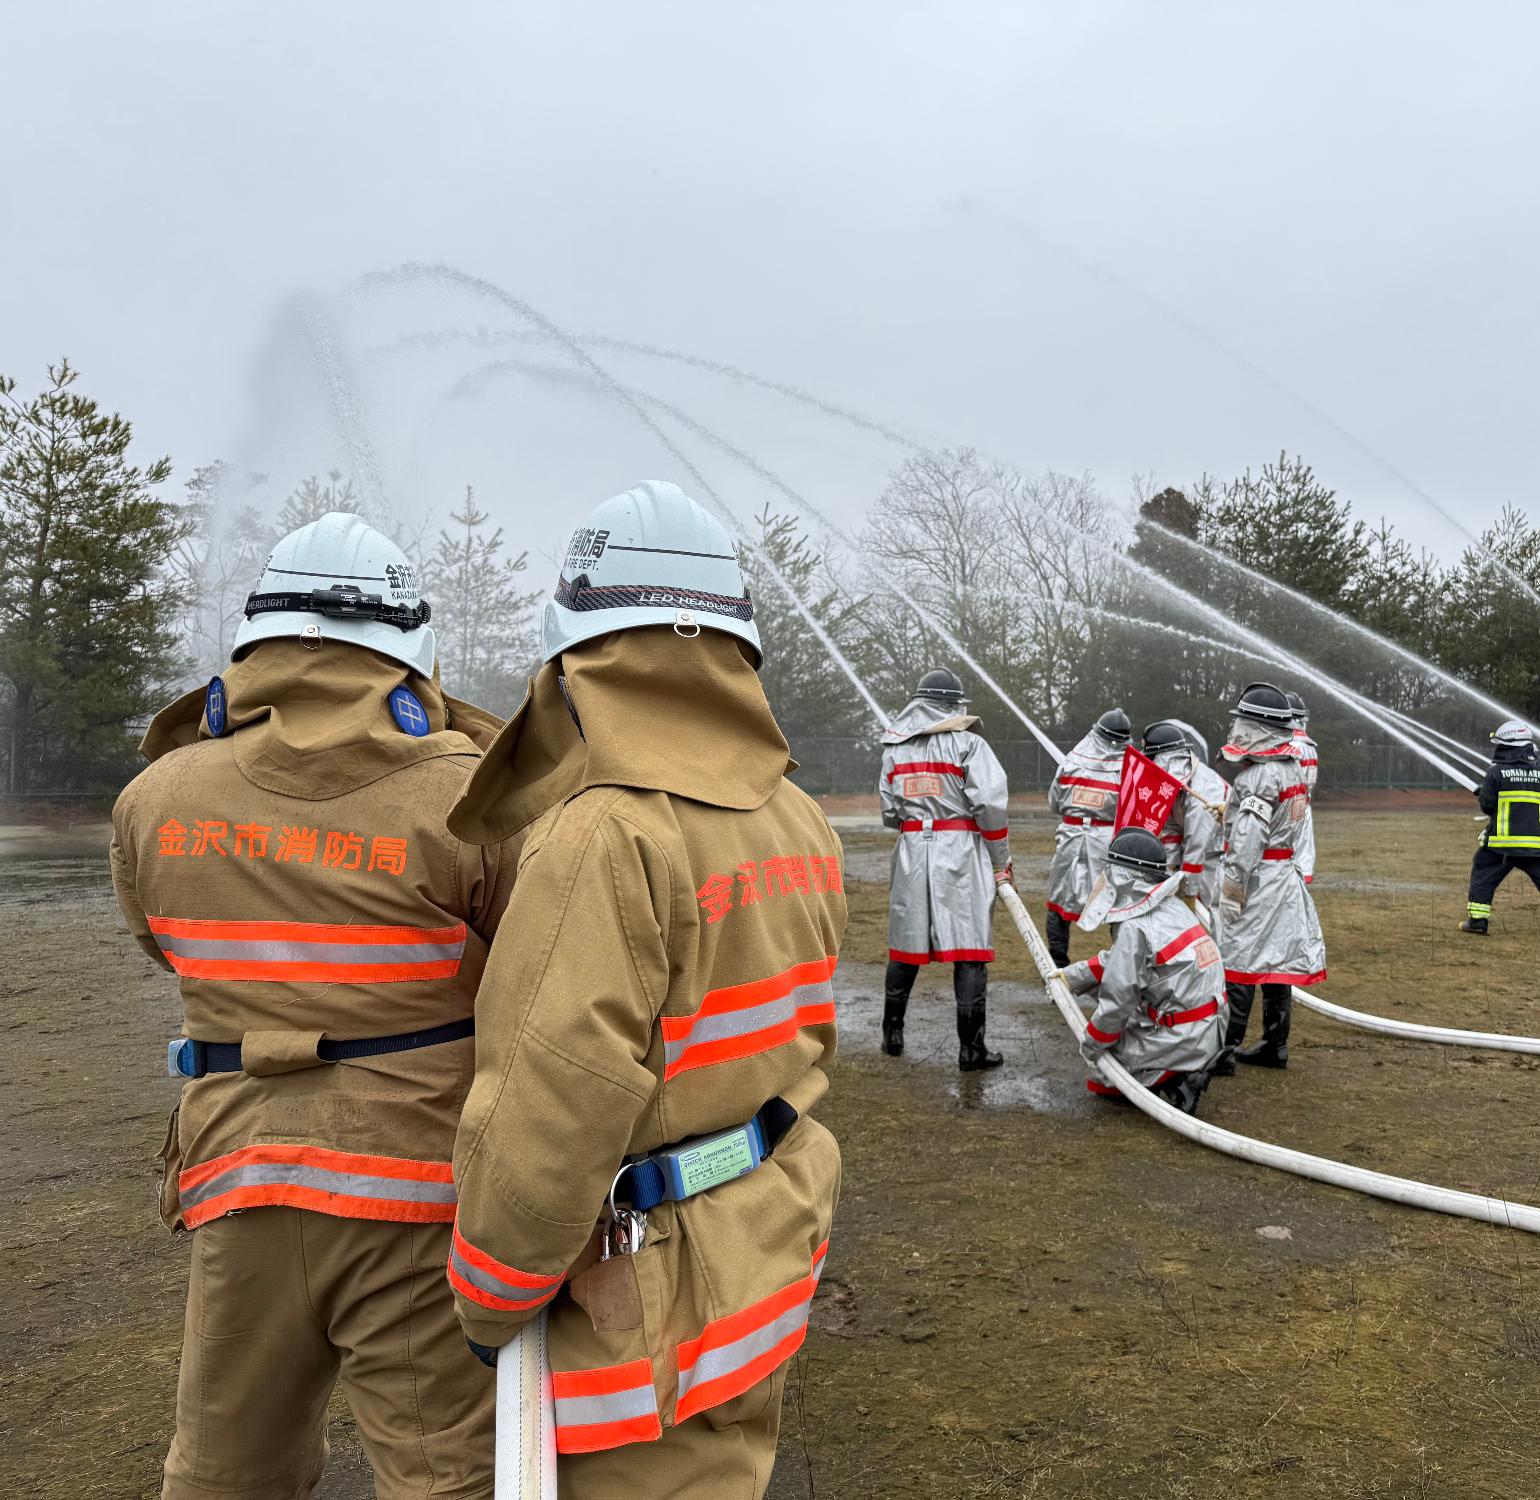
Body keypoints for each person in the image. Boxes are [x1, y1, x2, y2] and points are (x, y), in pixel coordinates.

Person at [444, 481, 844, 1492]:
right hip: (760, 1245)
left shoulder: (604, 834)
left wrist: (491, 1302)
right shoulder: (793, 815)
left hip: (645, 1307)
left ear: (580, 659)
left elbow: (552, 1100)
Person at [109, 512, 517, 1498]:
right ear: (410, 646)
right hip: (413, 1186)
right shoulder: (470, 796)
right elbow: (525, 966)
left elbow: (160, 944)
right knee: (441, 1475)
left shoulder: (156, 796)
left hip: (235, 1172)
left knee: (222, 1469)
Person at [878, 666, 1010, 1068]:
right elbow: (990, 806)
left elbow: (889, 812)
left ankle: (892, 1034)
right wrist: (1000, 861)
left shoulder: (894, 750)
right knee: (970, 949)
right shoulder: (969, 745)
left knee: (906, 942)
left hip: (912, 850)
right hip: (961, 850)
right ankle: (972, 1050)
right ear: (954, 706)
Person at [1060, 828, 1228, 1114]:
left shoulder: (1135, 927)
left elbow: (1117, 1001)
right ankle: (1185, 1064)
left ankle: (1181, 1078)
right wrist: (1068, 978)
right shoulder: (1172, 907)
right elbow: (1118, 961)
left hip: (1184, 1035)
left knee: (1104, 1077)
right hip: (1212, 1025)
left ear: (1123, 877)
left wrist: (1091, 1046)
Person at [1214, 682, 1326, 1071]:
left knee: (1238, 960)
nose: (1237, 729)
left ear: (1259, 728)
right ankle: (1275, 1044)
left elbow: (1246, 845)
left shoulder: (1258, 777)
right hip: (1283, 876)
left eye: (1243, 723)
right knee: (1278, 961)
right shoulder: (1292, 766)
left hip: (1259, 879)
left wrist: (1232, 890)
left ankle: (1223, 1053)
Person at [1460, 721, 1540, 943]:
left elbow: (1486, 805)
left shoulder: (1496, 773)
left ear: (1506, 746)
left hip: (1501, 846)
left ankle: (1477, 921)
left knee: (1483, 875)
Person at [1044, 708, 1130, 965]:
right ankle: (1122, 967)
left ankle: (1057, 964)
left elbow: (1054, 802)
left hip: (1069, 837)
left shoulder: (1071, 762)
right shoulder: (1125, 770)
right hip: (1107, 842)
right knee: (1117, 904)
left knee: (1058, 901)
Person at [1142, 718, 1226, 911]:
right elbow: (1172, 831)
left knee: (1209, 915)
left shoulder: (1202, 786)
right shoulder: (1173, 787)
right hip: (1199, 855)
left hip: (1218, 856)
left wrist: (1188, 891)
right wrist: (1169, 874)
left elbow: (1197, 843)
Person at [1286, 689, 1320, 884]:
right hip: (1304, 805)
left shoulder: (1288, 744)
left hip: (1287, 808)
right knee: (1304, 854)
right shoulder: (1310, 746)